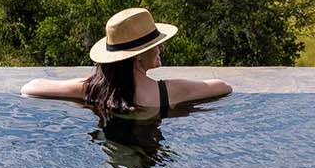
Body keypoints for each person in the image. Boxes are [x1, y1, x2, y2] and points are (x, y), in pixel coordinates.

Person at [20, 7, 232, 123]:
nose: (162, 48)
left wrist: (89, 83)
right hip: (149, 164)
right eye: (156, 45)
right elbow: (223, 87)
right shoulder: (169, 91)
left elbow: (31, 88)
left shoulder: (92, 90)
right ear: (138, 56)